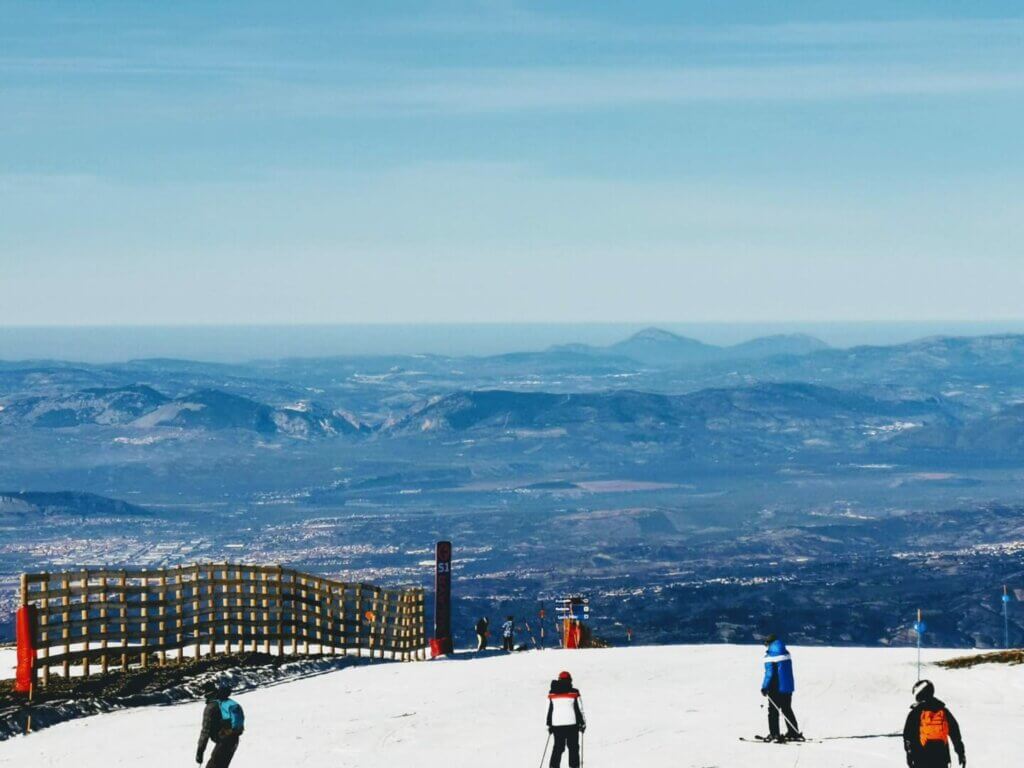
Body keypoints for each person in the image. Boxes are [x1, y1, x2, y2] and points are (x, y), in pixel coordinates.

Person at [903, 680, 966, 768]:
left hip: (921, 759)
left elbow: (908, 737)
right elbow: (955, 732)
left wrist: (909, 756)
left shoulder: (915, 713)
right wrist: (961, 752)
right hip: (942, 758)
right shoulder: (943, 711)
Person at [760, 634, 803, 742]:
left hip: (775, 687)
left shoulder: (770, 656)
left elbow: (769, 673)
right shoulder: (785, 652)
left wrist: (765, 687)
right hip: (787, 687)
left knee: (773, 711)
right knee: (786, 709)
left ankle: (774, 734)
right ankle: (793, 732)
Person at [196, 683, 244, 768]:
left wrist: (200, 752)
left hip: (224, 742)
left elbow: (205, 732)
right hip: (234, 739)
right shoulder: (224, 703)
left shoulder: (211, 707)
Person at [546, 670, 586, 768]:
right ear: (570, 680)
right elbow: (579, 709)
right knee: (573, 748)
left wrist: (548, 725)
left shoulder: (552, 693)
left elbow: (549, 710)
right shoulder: (574, 692)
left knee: (558, 747)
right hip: (572, 724)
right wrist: (583, 723)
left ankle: (553, 766)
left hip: (557, 724)